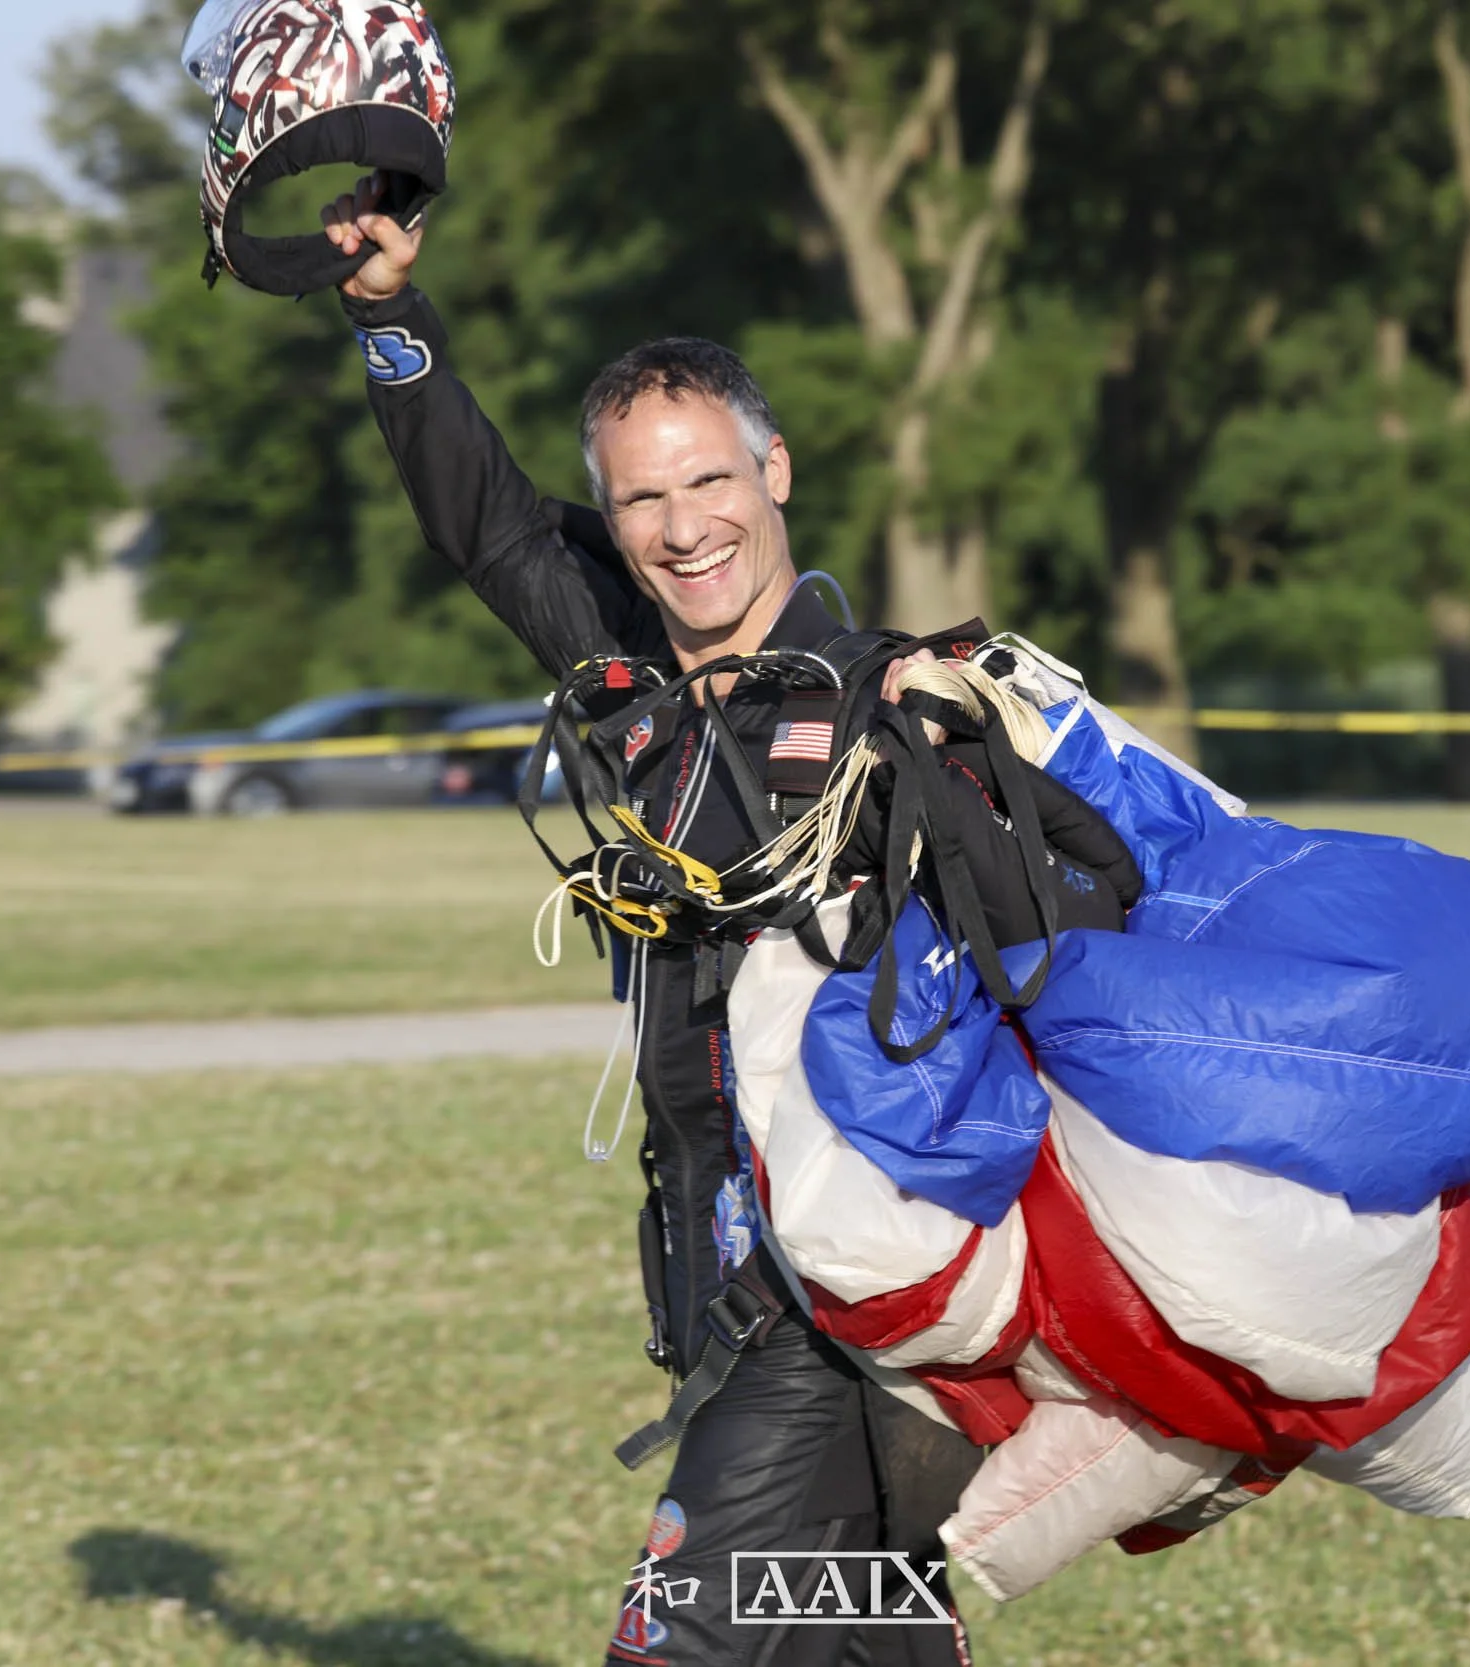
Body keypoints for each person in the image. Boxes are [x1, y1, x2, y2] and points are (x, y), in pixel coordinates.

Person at [318, 182, 982, 1667]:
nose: (684, 530)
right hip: (703, 1254)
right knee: (863, 1628)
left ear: (778, 471)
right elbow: (483, 519)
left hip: (835, 1286)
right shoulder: (627, 676)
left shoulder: (894, 707)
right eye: (643, 499)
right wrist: (386, 317)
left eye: (709, 482)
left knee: (676, 1634)